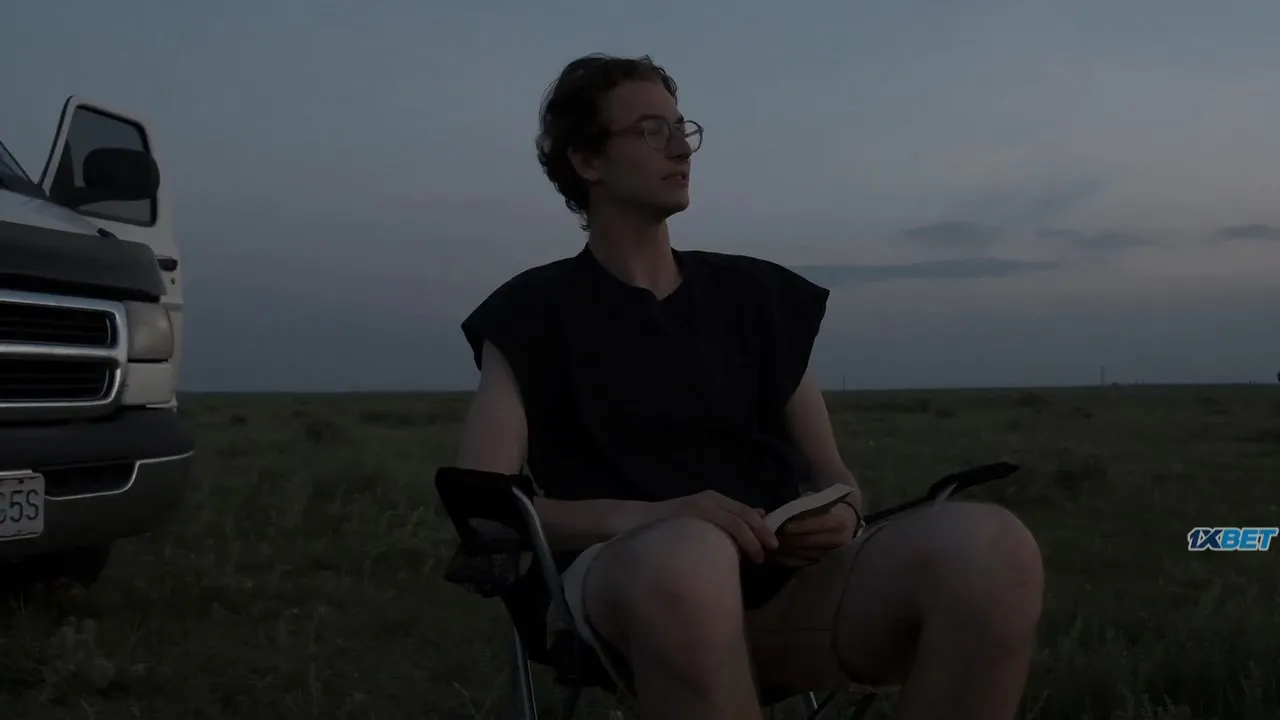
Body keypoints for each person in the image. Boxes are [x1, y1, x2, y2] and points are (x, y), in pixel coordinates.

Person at [453, 53, 1044, 720]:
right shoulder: (531, 313)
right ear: (588, 161)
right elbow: (487, 511)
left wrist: (842, 514)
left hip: (784, 585)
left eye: (683, 128)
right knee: (687, 556)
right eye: (651, 131)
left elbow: (834, 476)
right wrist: (650, 517)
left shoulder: (755, 297)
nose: (681, 148)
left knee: (990, 549)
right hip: (628, 585)